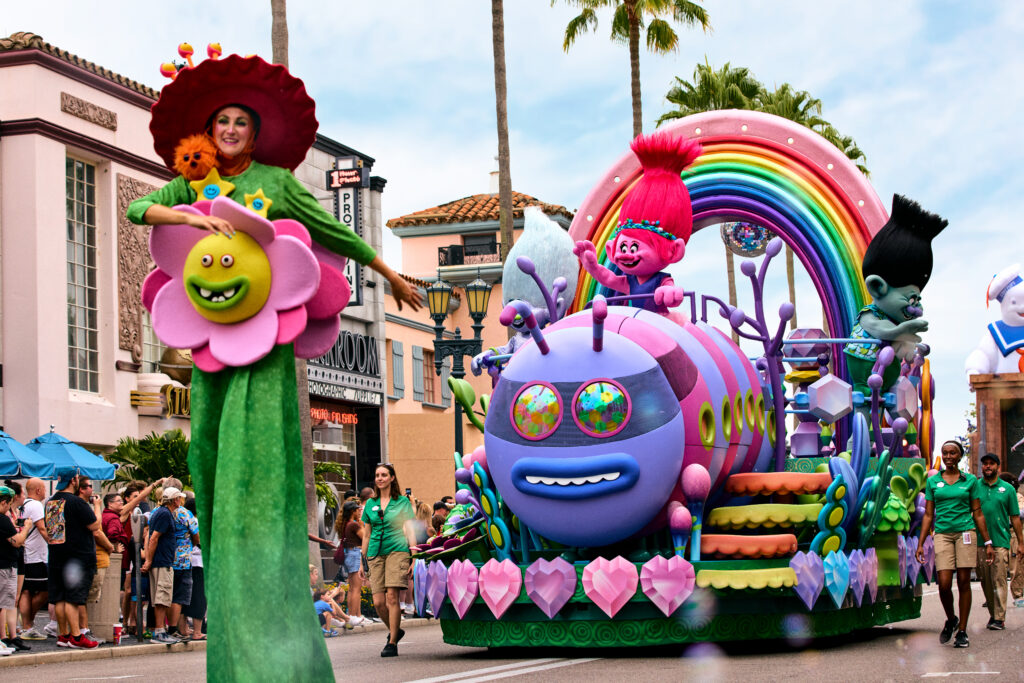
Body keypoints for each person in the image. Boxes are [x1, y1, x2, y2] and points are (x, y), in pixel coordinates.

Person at [127, 52, 421, 682]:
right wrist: (180, 213)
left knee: (257, 472)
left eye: (240, 122)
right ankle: (235, 655)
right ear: (209, 132)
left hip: (263, 346)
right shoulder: (193, 178)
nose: (230, 130)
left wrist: (391, 272)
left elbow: (332, 232)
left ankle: (279, 655)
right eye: (221, 122)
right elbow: (138, 209)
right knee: (207, 465)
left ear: (255, 134)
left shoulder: (277, 182)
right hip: (212, 349)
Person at [916, 440, 995, 649]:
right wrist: (921, 542)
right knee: (943, 583)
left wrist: (987, 541)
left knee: (963, 580)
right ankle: (951, 619)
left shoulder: (970, 481)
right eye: (945, 453)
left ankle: (962, 631)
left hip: (965, 532)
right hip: (942, 533)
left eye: (953, 453)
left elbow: (977, 513)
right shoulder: (933, 482)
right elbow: (928, 514)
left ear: (959, 457)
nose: (949, 456)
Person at [360, 463, 416, 657]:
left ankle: (392, 643)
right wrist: (362, 559)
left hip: (397, 550)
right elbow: (367, 534)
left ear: (392, 478)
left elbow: (410, 529)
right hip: (375, 553)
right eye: (377, 475)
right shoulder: (369, 504)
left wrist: (414, 555)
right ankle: (396, 630)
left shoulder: (402, 502)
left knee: (392, 596)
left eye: (384, 475)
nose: (380, 478)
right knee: (378, 602)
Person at [45, 474, 103, 649]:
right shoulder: (77, 502)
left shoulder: (51, 501)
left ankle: (63, 635)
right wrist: (97, 506)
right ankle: (76, 636)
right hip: (77, 557)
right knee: (73, 598)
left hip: (57, 555)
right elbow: (94, 525)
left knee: (61, 598)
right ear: (73, 481)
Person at [975, 454, 1024, 630]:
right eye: (985, 464)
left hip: (1000, 541)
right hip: (979, 542)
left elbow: (1015, 517)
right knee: (985, 580)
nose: (988, 467)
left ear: (997, 466)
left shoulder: (1007, 489)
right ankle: (993, 613)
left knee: (999, 579)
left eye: (991, 464)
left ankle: (999, 617)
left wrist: (1021, 542)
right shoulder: (975, 487)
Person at [142, 487, 182, 644]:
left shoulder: (161, 512)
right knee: (162, 596)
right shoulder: (164, 513)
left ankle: (159, 630)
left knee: (161, 596)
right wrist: (149, 560)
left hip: (161, 560)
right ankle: (159, 631)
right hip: (161, 561)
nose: (180, 500)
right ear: (174, 500)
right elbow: (153, 538)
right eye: (179, 498)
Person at [16, 478, 50, 641]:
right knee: (44, 590)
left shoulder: (24, 505)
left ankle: (27, 624)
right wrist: (54, 543)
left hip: (27, 554)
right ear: (38, 490)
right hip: (35, 555)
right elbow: (42, 528)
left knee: (26, 590)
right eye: (44, 488)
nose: (45, 492)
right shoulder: (36, 505)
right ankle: (28, 624)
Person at [1, 485, 32, 653]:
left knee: (8, 601)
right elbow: (16, 541)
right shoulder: (3, 518)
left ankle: (9, 637)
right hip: (5, 564)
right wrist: (26, 528)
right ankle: (5, 638)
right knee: (3, 602)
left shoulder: (8, 517)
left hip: (10, 562)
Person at [334, 500, 365, 626]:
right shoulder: (354, 525)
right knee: (357, 587)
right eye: (357, 509)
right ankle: (353, 616)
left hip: (348, 554)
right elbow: (365, 538)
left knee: (352, 588)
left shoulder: (345, 524)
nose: (359, 511)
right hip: (355, 553)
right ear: (353, 511)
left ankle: (354, 615)